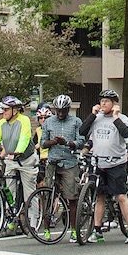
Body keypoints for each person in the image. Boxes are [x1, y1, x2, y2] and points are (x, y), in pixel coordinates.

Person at [78, 89, 128, 244]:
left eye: (107, 101)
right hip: (98, 162)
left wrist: (116, 117)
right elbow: (82, 131)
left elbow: (125, 134)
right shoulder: (96, 118)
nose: (103, 104)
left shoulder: (122, 118)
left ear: (114, 104)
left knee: (121, 196)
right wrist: (92, 115)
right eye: (102, 101)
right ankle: (97, 230)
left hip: (116, 162)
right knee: (99, 196)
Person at [0, 96, 38, 233]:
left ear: (15, 111)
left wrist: (18, 151)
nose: (4, 112)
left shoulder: (24, 120)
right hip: (11, 160)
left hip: (26, 159)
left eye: (6, 109)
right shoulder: (2, 123)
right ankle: (11, 218)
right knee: (9, 191)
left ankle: (32, 223)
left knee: (29, 193)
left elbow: (25, 138)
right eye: (3, 109)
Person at [41, 94, 84, 242]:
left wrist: (68, 143)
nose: (60, 114)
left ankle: (73, 229)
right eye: (58, 111)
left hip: (69, 162)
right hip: (53, 161)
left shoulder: (76, 122)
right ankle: (46, 229)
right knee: (48, 194)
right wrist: (53, 141)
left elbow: (81, 141)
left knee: (71, 197)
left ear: (68, 109)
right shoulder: (48, 122)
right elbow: (42, 143)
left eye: (63, 111)